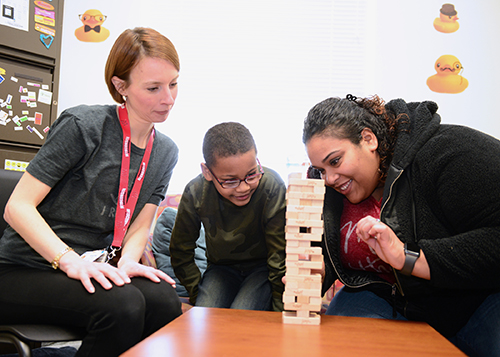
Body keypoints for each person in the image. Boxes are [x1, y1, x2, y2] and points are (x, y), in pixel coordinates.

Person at [0, 27, 182, 357]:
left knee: (164, 301)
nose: (168, 98)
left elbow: (141, 224)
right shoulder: (83, 127)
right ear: (120, 86)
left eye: (173, 83)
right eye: (153, 88)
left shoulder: (165, 151)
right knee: (122, 305)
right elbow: (17, 207)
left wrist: (127, 260)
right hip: (26, 267)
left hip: (92, 265)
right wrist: (68, 260)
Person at [302, 94, 500, 356]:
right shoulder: (329, 187)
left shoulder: (449, 153)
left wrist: (408, 257)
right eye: (320, 169)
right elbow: (329, 252)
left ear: (368, 139)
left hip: (475, 300)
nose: (328, 178)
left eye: (335, 161)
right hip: (382, 298)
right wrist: (319, 273)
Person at [170, 122, 286, 311]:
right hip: (220, 270)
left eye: (251, 174)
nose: (243, 187)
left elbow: (278, 255)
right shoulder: (195, 192)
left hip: (262, 269)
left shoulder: (271, 186)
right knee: (207, 315)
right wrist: (196, 290)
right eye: (230, 181)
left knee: (242, 313)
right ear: (207, 172)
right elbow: (180, 251)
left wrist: (281, 310)